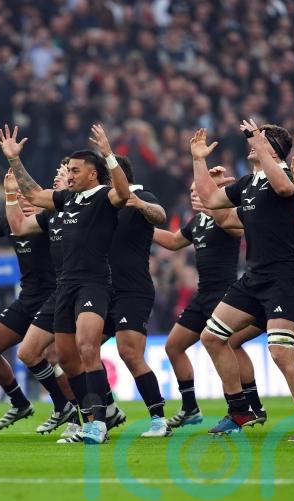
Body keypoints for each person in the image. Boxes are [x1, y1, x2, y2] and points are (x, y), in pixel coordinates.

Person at [0, 123, 131, 445]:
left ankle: (97, 423)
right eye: (67, 170)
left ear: (92, 175)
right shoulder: (65, 200)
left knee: (88, 348)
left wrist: (108, 154)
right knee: (68, 360)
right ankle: (95, 413)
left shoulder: (102, 197)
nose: (69, 174)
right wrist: (15, 160)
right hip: (65, 288)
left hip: (93, 285)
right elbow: (31, 195)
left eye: (75, 170)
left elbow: (124, 193)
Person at [191, 123, 294, 441]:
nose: (250, 144)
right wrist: (198, 160)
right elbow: (210, 199)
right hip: (253, 277)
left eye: (259, 140)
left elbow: (283, 189)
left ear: (272, 148)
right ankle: (239, 410)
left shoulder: (288, 176)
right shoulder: (248, 183)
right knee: (211, 337)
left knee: (281, 352)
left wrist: (263, 147)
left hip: (284, 278)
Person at [153, 169, 242, 429]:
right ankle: (190, 408)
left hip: (225, 295)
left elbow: (239, 232)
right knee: (173, 346)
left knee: (222, 349)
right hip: (202, 295)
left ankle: (238, 410)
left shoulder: (226, 217)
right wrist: (143, 227)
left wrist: (216, 202)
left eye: (198, 191)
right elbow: (171, 241)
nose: (193, 195)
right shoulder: (196, 222)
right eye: (191, 191)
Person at [2, 161, 82, 440]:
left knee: (74, 357)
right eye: (60, 174)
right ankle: (74, 410)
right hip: (52, 295)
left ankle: (92, 414)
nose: (61, 179)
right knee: (32, 353)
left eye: (66, 175)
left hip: (84, 290)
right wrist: (11, 195)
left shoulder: (83, 209)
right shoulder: (48, 218)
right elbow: (15, 226)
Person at [0, 174, 57, 431]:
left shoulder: (49, 221)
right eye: (17, 194)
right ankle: (20, 402)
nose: (22, 198)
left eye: (27, 194)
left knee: (55, 356)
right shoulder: (11, 222)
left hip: (54, 298)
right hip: (27, 299)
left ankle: (73, 408)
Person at [104, 156, 170, 437]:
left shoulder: (141, 195)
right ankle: (106, 410)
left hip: (133, 289)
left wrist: (141, 204)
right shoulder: (101, 204)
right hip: (101, 290)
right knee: (76, 351)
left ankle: (158, 420)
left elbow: (160, 215)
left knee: (129, 352)